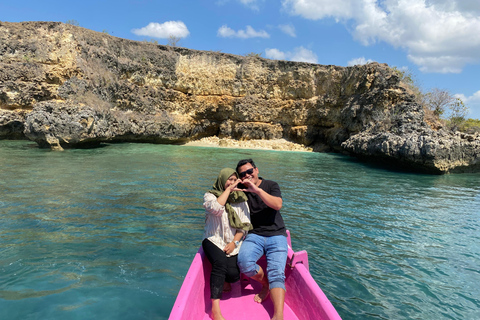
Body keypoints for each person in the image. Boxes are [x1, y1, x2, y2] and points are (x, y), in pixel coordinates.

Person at [236, 159, 288, 320]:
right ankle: (265, 284)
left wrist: (256, 190)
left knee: (277, 273)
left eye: (249, 171)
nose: (247, 175)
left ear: (256, 170)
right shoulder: (242, 191)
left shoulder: (271, 185)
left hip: (277, 235)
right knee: (244, 262)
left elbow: (277, 204)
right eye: (242, 174)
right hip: (255, 235)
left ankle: (278, 315)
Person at [202, 168, 252, 320]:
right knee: (220, 263)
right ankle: (215, 310)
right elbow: (216, 209)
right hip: (213, 239)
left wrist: (234, 242)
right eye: (229, 179)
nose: (231, 182)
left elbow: (244, 226)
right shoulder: (210, 195)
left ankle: (225, 281)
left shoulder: (241, 199)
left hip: (232, 242)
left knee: (233, 275)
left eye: (234, 179)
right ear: (222, 180)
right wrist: (228, 190)